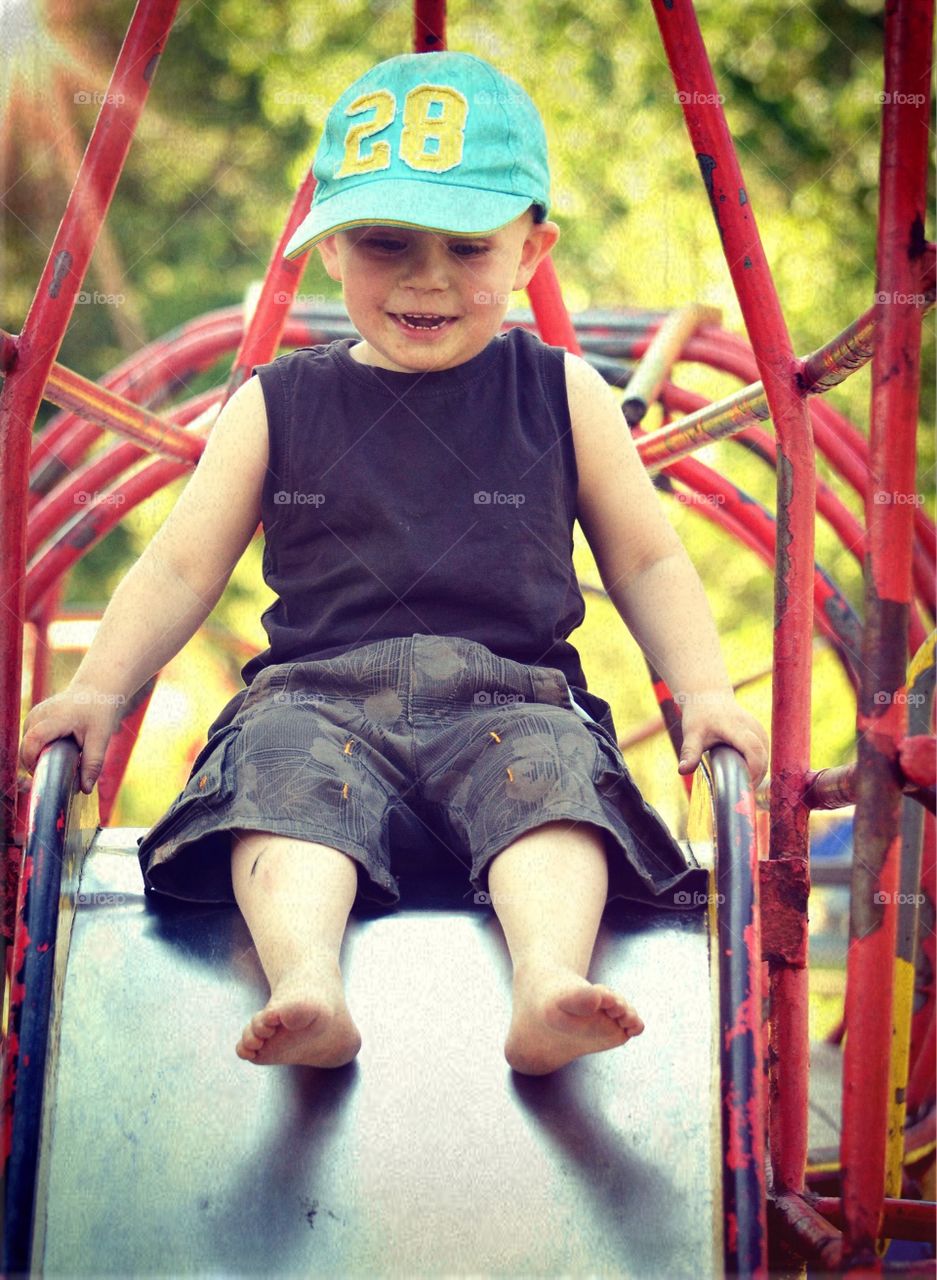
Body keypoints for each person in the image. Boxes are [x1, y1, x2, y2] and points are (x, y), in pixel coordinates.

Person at [19, 51, 768, 1076]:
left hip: (510, 701)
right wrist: (100, 687)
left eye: (468, 247)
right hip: (316, 702)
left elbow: (645, 558)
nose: (427, 277)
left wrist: (708, 691)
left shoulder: (562, 392)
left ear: (531, 249)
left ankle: (548, 978)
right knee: (276, 783)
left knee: (554, 782)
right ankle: (304, 979)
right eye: (384, 242)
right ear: (327, 247)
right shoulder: (278, 401)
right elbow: (180, 569)